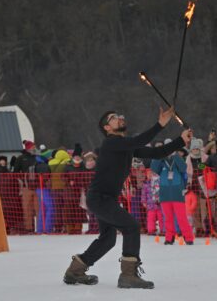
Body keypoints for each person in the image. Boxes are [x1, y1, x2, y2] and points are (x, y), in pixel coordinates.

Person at [63, 107, 192, 289]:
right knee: (131, 226)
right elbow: (141, 140)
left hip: (105, 199)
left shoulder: (125, 146)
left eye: (119, 116)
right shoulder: (111, 143)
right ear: (107, 128)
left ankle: (75, 270)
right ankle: (128, 275)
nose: (119, 118)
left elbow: (156, 153)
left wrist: (181, 140)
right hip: (100, 198)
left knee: (108, 239)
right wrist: (160, 124)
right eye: (113, 118)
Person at [151, 143, 193, 245]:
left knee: (181, 217)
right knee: (168, 218)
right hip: (165, 194)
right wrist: (160, 155)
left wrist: (175, 155)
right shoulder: (162, 161)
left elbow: (183, 168)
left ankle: (188, 237)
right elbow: (154, 168)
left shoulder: (178, 159)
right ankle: (169, 238)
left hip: (177, 193)